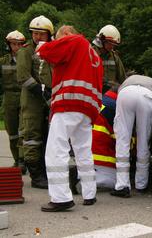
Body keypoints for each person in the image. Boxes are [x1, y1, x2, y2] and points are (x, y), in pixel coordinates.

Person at [36, 25, 103, 212]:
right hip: (87, 108)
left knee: (56, 150)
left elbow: (47, 51)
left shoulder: (75, 40)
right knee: (83, 150)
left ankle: (61, 198)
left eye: (59, 39)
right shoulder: (94, 54)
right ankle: (89, 193)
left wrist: (43, 45)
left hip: (69, 102)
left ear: (65, 35)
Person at [16, 15, 54, 189]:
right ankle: (36, 175)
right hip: (32, 102)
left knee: (49, 137)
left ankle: (46, 171)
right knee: (32, 138)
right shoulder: (26, 51)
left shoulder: (53, 49)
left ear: (49, 34)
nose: (37, 37)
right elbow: (23, 76)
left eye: (41, 34)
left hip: (50, 100)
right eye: (34, 33)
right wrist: (41, 90)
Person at [111, 75, 152, 198]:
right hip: (147, 96)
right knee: (144, 141)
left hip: (125, 94)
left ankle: (122, 186)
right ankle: (141, 184)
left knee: (122, 140)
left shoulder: (129, 80)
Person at [0, 30, 26, 174]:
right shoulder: (3, 61)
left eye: (18, 44)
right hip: (9, 98)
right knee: (12, 132)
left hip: (23, 95)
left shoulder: (27, 59)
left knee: (23, 130)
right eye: (13, 44)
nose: (15, 47)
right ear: (8, 45)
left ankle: (23, 161)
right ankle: (16, 159)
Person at [92, 25, 126, 93]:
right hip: (93, 95)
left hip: (109, 97)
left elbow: (122, 79)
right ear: (102, 40)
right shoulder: (90, 55)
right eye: (110, 43)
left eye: (114, 44)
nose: (112, 47)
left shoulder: (114, 57)